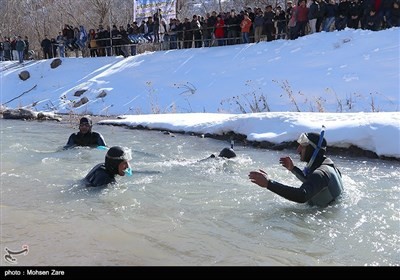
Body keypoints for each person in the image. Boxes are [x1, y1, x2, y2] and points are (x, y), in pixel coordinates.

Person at [248, 129, 344, 207]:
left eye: (302, 146)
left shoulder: (321, 173)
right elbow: (313, 182)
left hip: (322, 220)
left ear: (312, 150)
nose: (298, 150)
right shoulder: (329, 166)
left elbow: (302, 195)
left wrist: (268, 183)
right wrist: (293, 169)